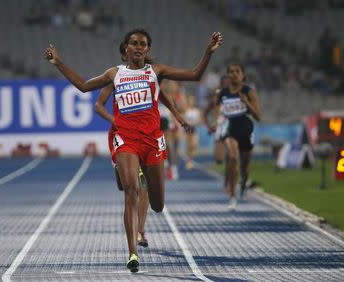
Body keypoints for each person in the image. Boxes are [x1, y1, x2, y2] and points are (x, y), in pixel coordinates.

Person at [44, 28, 222, 272]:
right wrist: (58, 62)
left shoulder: (155, 71)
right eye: (134, 43)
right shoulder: (114, 73)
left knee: (157, 204)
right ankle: (132, 252)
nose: (138, 47)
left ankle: (137, 180)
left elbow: (195, 74)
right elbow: (84, 86)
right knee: (131, 192)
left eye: (143, 44)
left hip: (152, 140)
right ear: (126, 48)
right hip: (126, 138)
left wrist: (208, 52)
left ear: (147, 50)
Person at [94, 42, 190, 249]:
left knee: (143, 186)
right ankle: (122, 175)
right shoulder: (116, 76)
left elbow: (162, 96)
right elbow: (97, 104)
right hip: (123, 134)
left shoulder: (150, 76)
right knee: (128, 187)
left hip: (148, 133)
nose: (136, 53)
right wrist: (114, 121)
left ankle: (140, 230)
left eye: (142, 47)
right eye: (131, 49)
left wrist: (177, 115)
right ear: (124, 55)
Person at [206, 63, 260, 210]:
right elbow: (215, 110)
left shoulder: (249, 91)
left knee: (245, 167)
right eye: (231, 71)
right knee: (233, 157)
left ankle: (243, 185)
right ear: (228, 75)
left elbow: (258, 116)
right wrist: (215, 123)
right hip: (230, 130)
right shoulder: (222, 93)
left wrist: (246, 102)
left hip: (247, 129)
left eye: (237, 71)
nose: (234, 74)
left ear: (243, 75)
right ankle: (233, 196)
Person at [183, 95, 201, 170]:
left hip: (194, 128)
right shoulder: (186, 110)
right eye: (189, 101)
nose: (191, 102)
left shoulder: (196, 111)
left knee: (194, 145)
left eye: (192, 101)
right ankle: (189, 162)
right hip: (188, 130)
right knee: (189, 146)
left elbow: (200, 120)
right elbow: (183, 119)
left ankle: (190, 160)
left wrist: (195, 122)